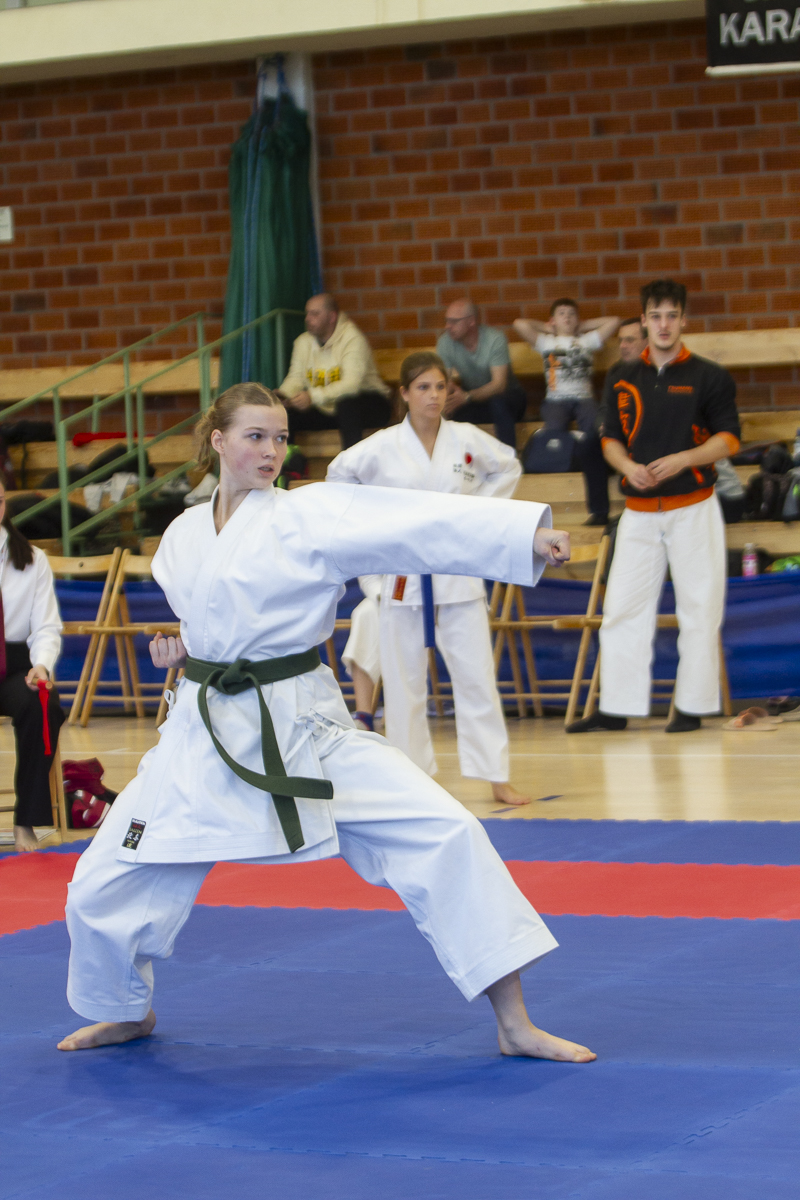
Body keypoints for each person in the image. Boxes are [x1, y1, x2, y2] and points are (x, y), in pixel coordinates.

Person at [59, 382, 595, 1066]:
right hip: (202, 733)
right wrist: (181, 652)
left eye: (281, 438)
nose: (272, 451)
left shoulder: (310, 513)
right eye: (256, 436)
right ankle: (123, 1009)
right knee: (101, 881)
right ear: (217, 440)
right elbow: (213, 625)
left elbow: (415, 524)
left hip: (302, 731)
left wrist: (524, 535)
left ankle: (515, 1024)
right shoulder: (184, 534)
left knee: (447, 831)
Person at [328, 351, 530, 807]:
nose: (434, 396)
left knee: (477, 679)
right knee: (404, 687)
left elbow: (509, 466)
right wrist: (375, 522)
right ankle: (413, 782)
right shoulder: (383, 445)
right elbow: (338, 475)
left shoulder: (465, 438)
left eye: (440, 387)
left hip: (458, 575)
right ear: (404, 393)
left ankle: (496, 777)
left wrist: (477, 510)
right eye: (423, 387)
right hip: (402, 578)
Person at [567, 279, 740, 736]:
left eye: (672, 316)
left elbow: (729, 439)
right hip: (639, 510)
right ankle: (616, 707)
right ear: (643, 321)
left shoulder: (709, 376)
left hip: (694, 506)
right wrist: (628, 466)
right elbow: (609, 439)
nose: (664, 325)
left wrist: (685, 458)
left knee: (699, 608)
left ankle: (691, 707)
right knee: (622, 608)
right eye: (656, 316)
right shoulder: (622, 377)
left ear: (684, 320)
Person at [0, 474, 64, 851]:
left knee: (43, 704)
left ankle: (26, 820)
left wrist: (41, 665)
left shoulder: (31, 559)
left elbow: (45, 626)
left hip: (13, 664)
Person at [276, 293, 391, 449]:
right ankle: (290, 462)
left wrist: (312, 397)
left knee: (347, 405)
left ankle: (351, 462)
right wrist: (284, 396)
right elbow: (295, 378)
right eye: (307, 313)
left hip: (369, 404)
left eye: (315, 314)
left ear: (331, 317)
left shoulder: (353, 338)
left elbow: (351, 385)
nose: (307, 319)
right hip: (327, 407)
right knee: (283, 414)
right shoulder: (302, 342)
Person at [436, 299, 528, 449]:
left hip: (509, 397)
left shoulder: (494, 339)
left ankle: (508, 458)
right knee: (451, 412)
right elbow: (443, 381)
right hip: (475, 400)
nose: (448, 326)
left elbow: (499, 385)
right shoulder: (445, 342)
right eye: (447, 321)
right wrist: (448, 394)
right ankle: (457, 459)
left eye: (454, 321)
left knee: (499, 404)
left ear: (471, 321)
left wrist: (466, 397)